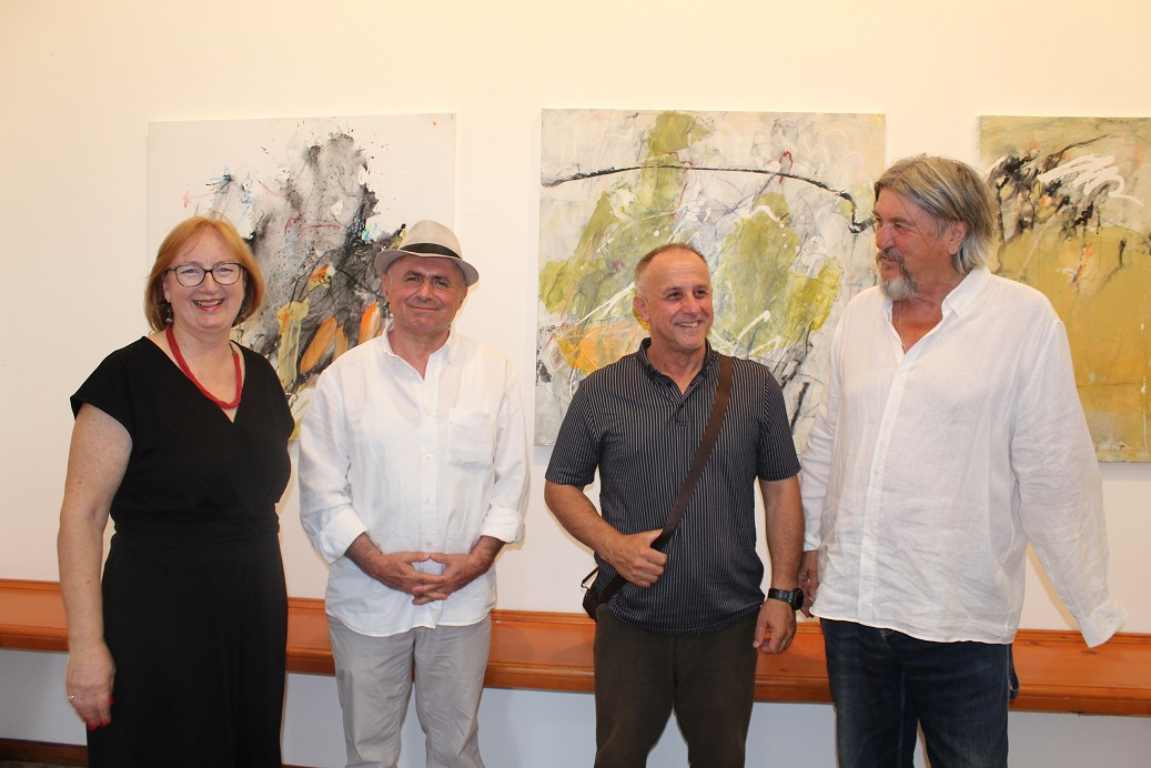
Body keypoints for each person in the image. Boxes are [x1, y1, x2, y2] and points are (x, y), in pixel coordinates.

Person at [799, 155, 1126, 767]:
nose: (882, 240)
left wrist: (1091, 604)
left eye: (901, 226)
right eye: (879, 222)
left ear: (955, 233)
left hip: (959, 617)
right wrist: (809, 544)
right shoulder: (860, 316)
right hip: (858, 611)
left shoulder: (1022, 320)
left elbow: (1055, 469)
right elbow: (830, 441)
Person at [544, 243, 804, 768]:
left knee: (722, 760)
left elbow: (782, 490)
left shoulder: (755, 387)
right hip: (631, 621)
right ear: (642, 309)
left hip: (728, 624)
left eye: (701, 292)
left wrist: (783, 593)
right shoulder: (601, 390)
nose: (692, 307)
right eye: (674, 295)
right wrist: (614, 546)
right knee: (618, 759)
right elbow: (561, 486)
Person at [58, 216, 294, 766]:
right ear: (164, 286)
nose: (209, 285)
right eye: (189, 271)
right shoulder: (124, 377)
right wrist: (85, 646)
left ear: (245, 283)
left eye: (225, 269)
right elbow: (81, 518)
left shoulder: (262, 376)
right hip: (154, 623)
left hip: (252, 615)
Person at [299, 220, 528, 768]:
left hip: (460, 604)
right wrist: (380, 566)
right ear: (388, 285)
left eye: (441, 281)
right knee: (370, 753)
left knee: (455, 749)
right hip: (366, 603)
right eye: (413, 278)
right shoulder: (343, 379)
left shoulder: (493, 373)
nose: (426, 292)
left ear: (461, 295)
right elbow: (321, 493)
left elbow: (511, 484)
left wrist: (473, 565)